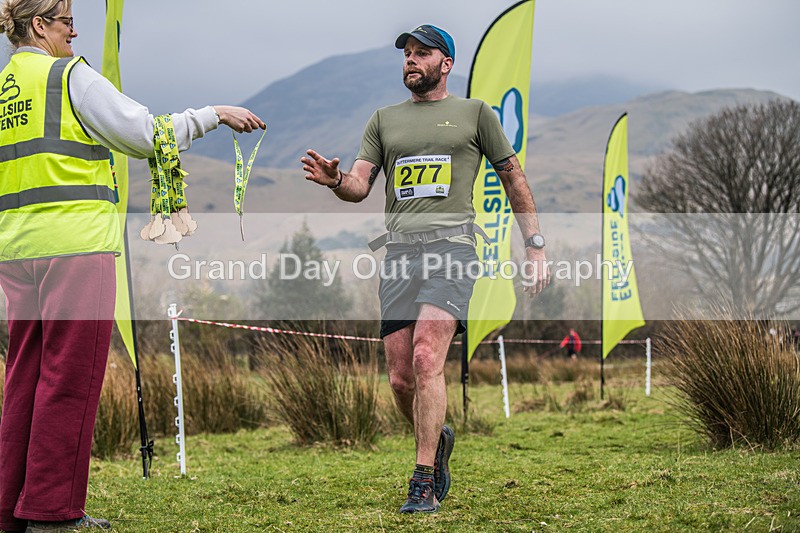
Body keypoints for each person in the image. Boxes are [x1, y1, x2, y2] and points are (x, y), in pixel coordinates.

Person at [0, 1, 265, 531]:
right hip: (76, 247)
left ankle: (9, 510)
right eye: (66, 20)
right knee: (70, 379)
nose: (76, 31)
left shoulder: (5, 85)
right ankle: (53, 514)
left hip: (15, 249)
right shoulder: (67, 75)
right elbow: (145, 133)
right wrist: (213, 114)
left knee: (24, 378)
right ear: (39, 26)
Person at [301, 24, 549, 513]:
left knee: (424, 357)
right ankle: (437, 440)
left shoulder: (476, 114)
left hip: (452, 251)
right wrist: (335, 182)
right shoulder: (383, 120)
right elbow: (359, 185)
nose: (410, 60)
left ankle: (422, 480)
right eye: (407, 54)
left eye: (422, 53)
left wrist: (535, 246)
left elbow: (513, 177)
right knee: (400, 379)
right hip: (399, 255)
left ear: (446, 63)